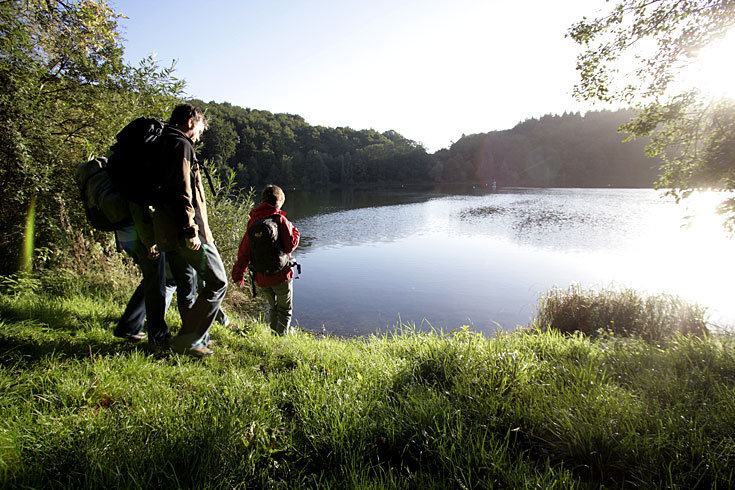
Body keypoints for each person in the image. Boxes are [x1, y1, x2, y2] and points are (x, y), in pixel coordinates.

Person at [152, 103, 227, 357]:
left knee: (187, 288)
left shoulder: (161, 143)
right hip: (186, 232)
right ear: (189, 122)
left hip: (167, 231)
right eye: (199, 130)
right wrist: (190, 230)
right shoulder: (180, 145)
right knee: (218, 281)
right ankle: (190, 340)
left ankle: (196, 338)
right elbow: (183, 191)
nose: (198, 136)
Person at [232, 185, 300, 335]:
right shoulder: (280, 219)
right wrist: (296, 232)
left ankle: (274, 334)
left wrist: (238, 275)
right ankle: (280, 339)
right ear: (279, 202)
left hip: (261, 277)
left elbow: (244, 252)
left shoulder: (253, 222)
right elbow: (290, 246)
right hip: (281, 275)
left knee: (273, 307)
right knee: (285, 309)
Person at [113, 203, 172, 345]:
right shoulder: (133, 181)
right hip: (142, 237)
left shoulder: (118, 182)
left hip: (126, 235)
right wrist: (149, 241)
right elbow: (137, 206)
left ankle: (128, 326)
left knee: (153, 279)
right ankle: (158, 336)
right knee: (156, 283)